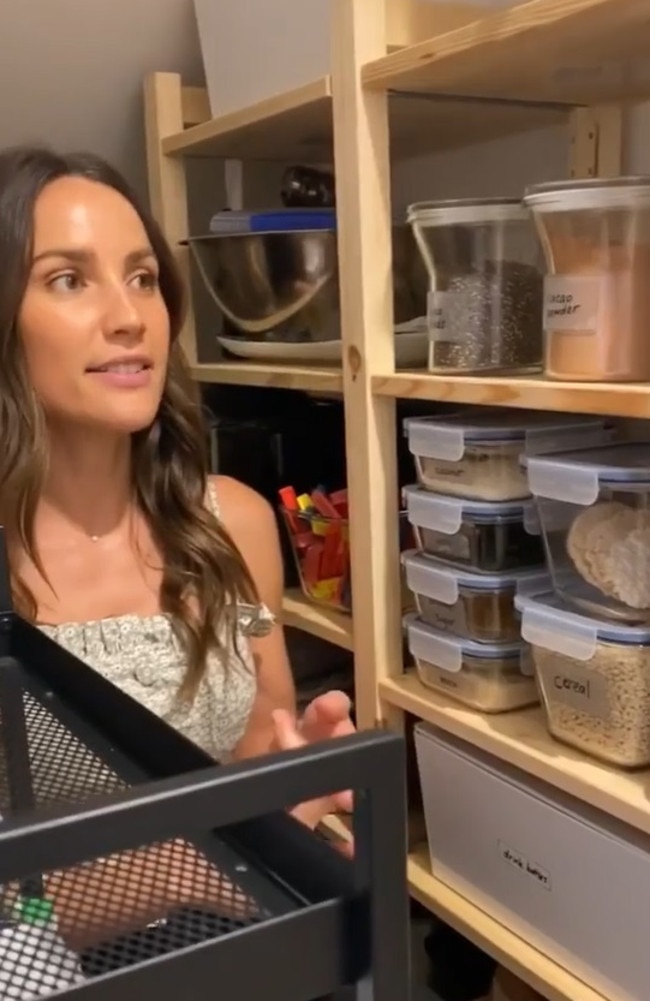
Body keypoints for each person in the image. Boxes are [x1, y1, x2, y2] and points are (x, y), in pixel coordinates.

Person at [0, 145, 355, 950]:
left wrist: (303, 773)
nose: (128, 315)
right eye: (68, 278)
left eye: (143, 277)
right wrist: (220, 856)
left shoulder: (232, 523)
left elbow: (256, 749)